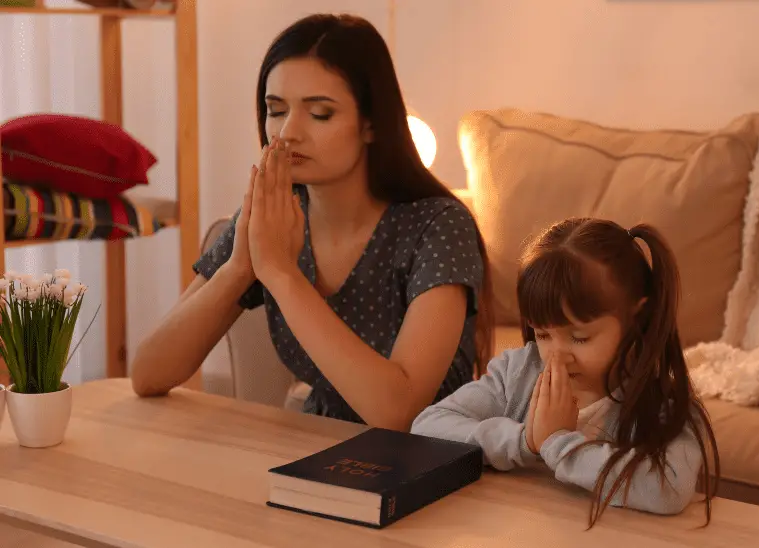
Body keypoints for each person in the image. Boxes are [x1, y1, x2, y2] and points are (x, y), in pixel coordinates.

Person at [129, 13, 495, 431]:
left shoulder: (439, 226)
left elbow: (398, 411)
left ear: (372, 123)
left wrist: (282, 274)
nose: (286, 133)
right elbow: (148, 373)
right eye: (275, 110)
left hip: (431, 458)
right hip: (317, 446)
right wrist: (240, 268)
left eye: (320, 113)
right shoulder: (274, 215)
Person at [411, 218, 720, 526]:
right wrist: (526, 441)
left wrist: (557, 443)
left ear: (637, 318)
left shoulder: (663, 403)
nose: (557, 357)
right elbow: (428, 427)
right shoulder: (517, 373)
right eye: (543, 335)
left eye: (580, 337)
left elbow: (668, 489)